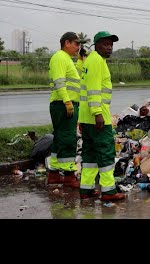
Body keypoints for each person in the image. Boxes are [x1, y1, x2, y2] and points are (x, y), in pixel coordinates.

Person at [78, 31, 125, 201]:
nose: (109, 48)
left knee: (89, 155)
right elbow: (94, 91)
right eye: (106, 44)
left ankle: (86, 189)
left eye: (111, 45)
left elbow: (85, 91)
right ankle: (109, 191)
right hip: (98, 117)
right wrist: (98, 113)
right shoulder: (97, 61)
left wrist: (82, 119)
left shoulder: (91, 60)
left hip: (86, 117)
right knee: (105, 153)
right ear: (97, 45)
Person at [47, 32, 87, 188]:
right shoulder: (59, 57)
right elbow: (59, 82)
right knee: (68, 139)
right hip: (63, 105)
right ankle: (69, 176)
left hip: (65, 104)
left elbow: (76, 77)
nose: (79, 47)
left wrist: (81, 61)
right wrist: (67, 101)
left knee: (59, 139)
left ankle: (54, 174)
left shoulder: (67, 59)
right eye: (76, 44)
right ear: (67, 43)